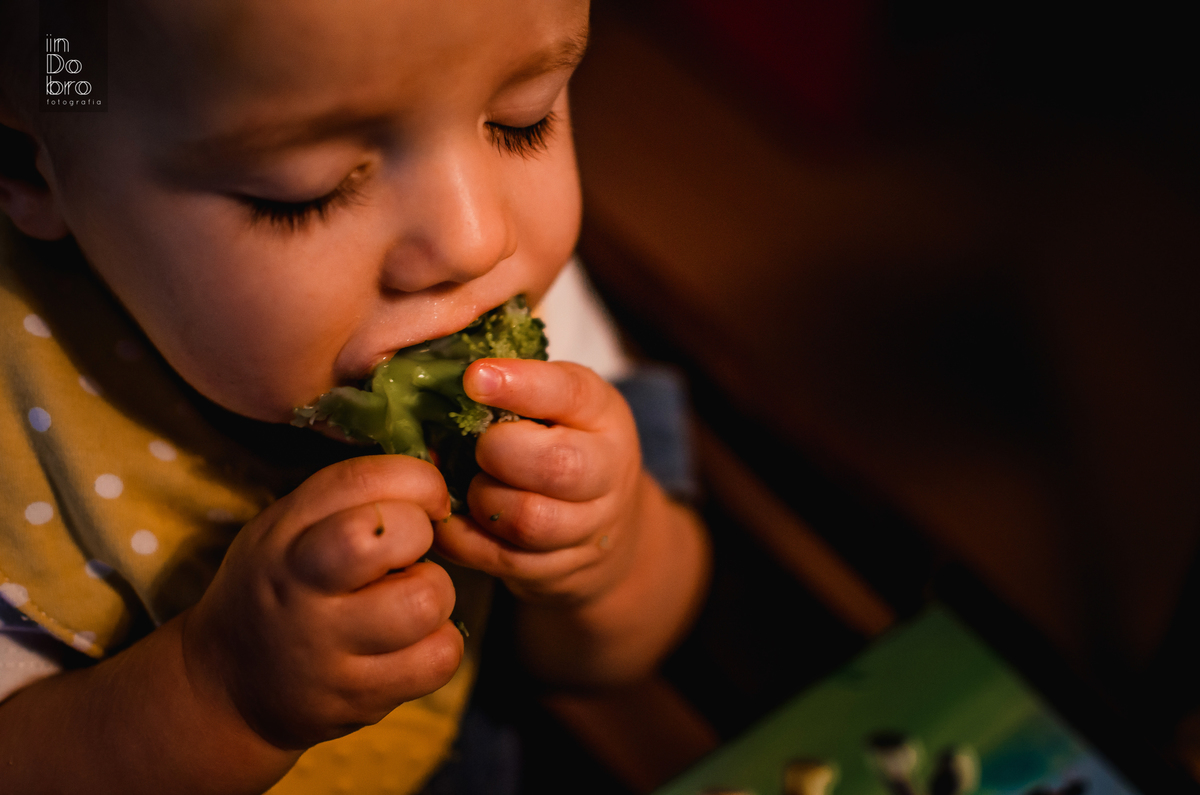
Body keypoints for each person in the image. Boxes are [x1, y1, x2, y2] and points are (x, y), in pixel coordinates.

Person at [0, 0, 711, 792]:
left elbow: (634, 639)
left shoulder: (504, 304)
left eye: (523, 121)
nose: (474, 238)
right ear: (27, 162)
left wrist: (607, 552)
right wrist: (217, 693)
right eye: (307, 193)